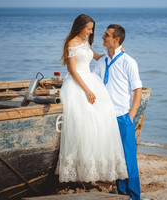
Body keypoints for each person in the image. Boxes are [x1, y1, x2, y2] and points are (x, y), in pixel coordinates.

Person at [56, 14, 128, 183]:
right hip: (77, 84)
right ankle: (80, 168)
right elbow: (73, 70)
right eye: (88, 28)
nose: (90, 32)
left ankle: (95, 166)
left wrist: (117, 51)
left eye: (92, 29)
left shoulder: (84, 43)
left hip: (90, 80)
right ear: (79, 26)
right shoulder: (71, 43)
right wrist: (87, 90)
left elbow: (98, 57)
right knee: (83, 125)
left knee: (99, 121)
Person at [93, 24, 143, 200]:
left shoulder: (129, 62)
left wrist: (131, 115)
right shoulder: (102, 61)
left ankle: (134, 196)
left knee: (129, 159)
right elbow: (93, 83)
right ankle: (122, 194)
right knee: (116, 159)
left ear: (116, 39)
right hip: (106, 118)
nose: (102, 37)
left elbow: (138, 89)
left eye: (106, 35)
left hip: (123, 116)